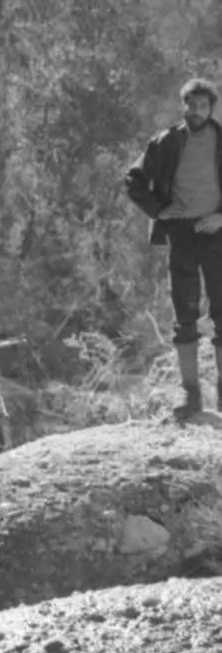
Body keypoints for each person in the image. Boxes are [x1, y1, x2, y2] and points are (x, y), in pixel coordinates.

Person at [125, 76, 222, 417]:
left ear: (212, 108)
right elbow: (134, 179)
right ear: (183, 106)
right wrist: (158, 210)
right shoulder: (166, 141)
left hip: (216, 233)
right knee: (185, 313)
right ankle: (190, 395)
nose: (196, 111)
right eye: (190, 105)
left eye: (202, 105)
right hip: (181, 233)